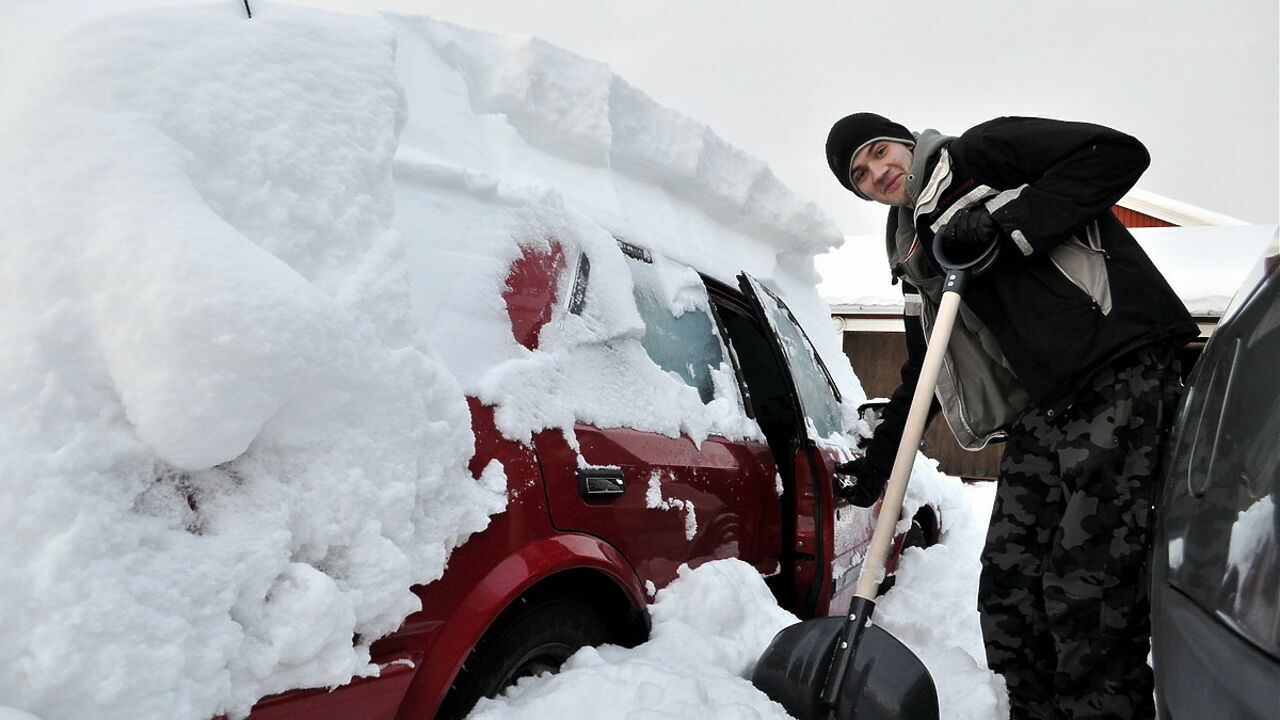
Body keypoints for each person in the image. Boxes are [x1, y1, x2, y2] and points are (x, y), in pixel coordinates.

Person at [824, 113, 1198, 720]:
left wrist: (1006, 222)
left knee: (1088, 588)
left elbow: (1118, 153)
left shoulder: (982, 154)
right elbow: (924, 369)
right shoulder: (917, 255)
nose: (878, 174)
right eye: (860, 177)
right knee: (1009, 590)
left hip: (1117, 369)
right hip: (1043, 407)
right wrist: (878, 467)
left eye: (879, 152)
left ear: (905, 141)